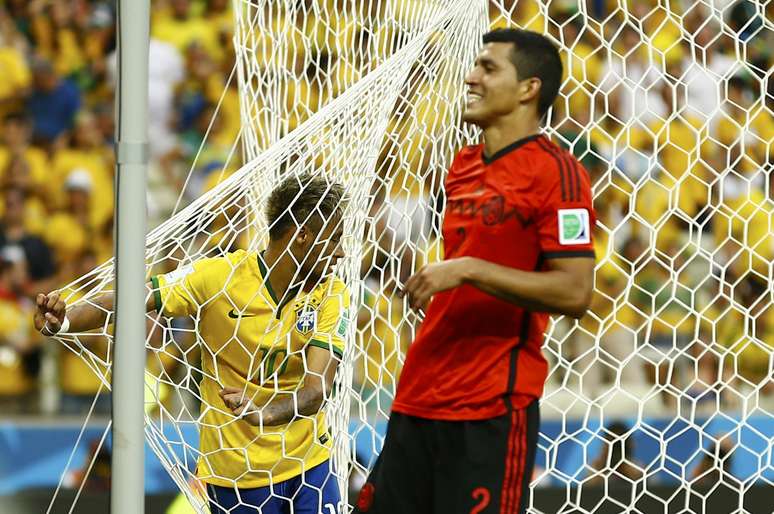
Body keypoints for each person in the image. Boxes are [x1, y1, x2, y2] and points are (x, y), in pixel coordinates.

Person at [355, 28, 596, 514]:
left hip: (490, 406)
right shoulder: (461, 166)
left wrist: (468, 269)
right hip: (418, 396)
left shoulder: (558, 172)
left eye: (488, 68)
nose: (471, 78)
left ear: (529, 88)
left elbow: (576, 292)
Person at [34, 173, 350, 514]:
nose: (343, 252)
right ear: (301, 235)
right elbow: (130, 299)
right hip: (238, 474)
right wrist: (64, 320)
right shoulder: (218, 277)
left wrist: (267, 413)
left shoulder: (332, 293)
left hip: (310, 465)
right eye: (334, 240)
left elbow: (317, 388)